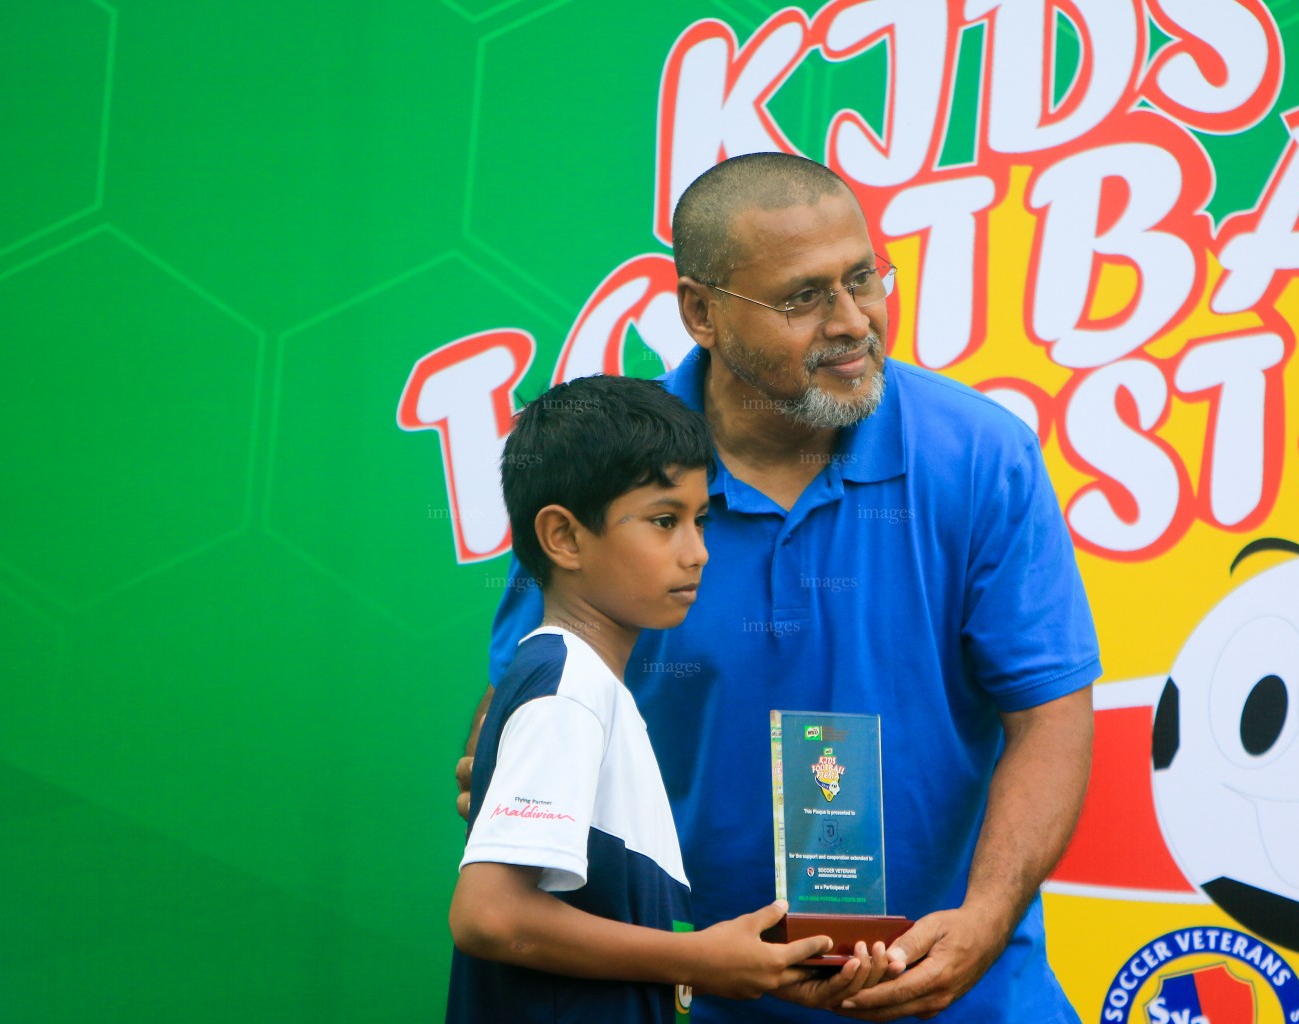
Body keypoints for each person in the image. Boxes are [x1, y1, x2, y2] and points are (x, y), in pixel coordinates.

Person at [459, 153, 1100, 1022]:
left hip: (966, 994)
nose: (852, 321)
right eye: (803, 297)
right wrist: (511, 765)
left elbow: (1050, 716)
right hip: (701, 998)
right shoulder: (609, 467)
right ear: (701, 312)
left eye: (863, 279)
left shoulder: (982, 457)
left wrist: (983, 921)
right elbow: (533, 690)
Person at [447, 374, 898, 1024]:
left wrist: (739, 964)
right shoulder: (567, 691)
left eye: (700, 520)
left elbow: (601, 936)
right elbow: (489, 916)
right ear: (564, 538)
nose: (698, 553)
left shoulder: (590, 689)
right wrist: (700, 960)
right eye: (664, 522)